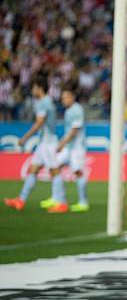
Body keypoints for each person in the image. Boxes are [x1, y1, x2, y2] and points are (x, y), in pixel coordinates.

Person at [4, 75, 66, 212]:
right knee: (33, 169)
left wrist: (25, 138)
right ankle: (21, 200)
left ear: (38, 88)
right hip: (44, 142)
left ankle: (61, 202)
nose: (32, 90)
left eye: (33, 87)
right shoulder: (47, 101)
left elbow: (39, 123)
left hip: (48, 143)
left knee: (54, 171)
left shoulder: (43, 103)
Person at [39, 83, 89, 212]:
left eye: (66, 97)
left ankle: (83, 202)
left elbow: (74, 130)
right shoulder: (68, 111)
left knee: (78, 172)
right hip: (69, 147)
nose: (63, 100)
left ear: (72, 97)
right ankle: (58, 199)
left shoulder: (77, 109)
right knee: (54, 166)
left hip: (77, 147)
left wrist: (61, 143)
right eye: (62, 98)